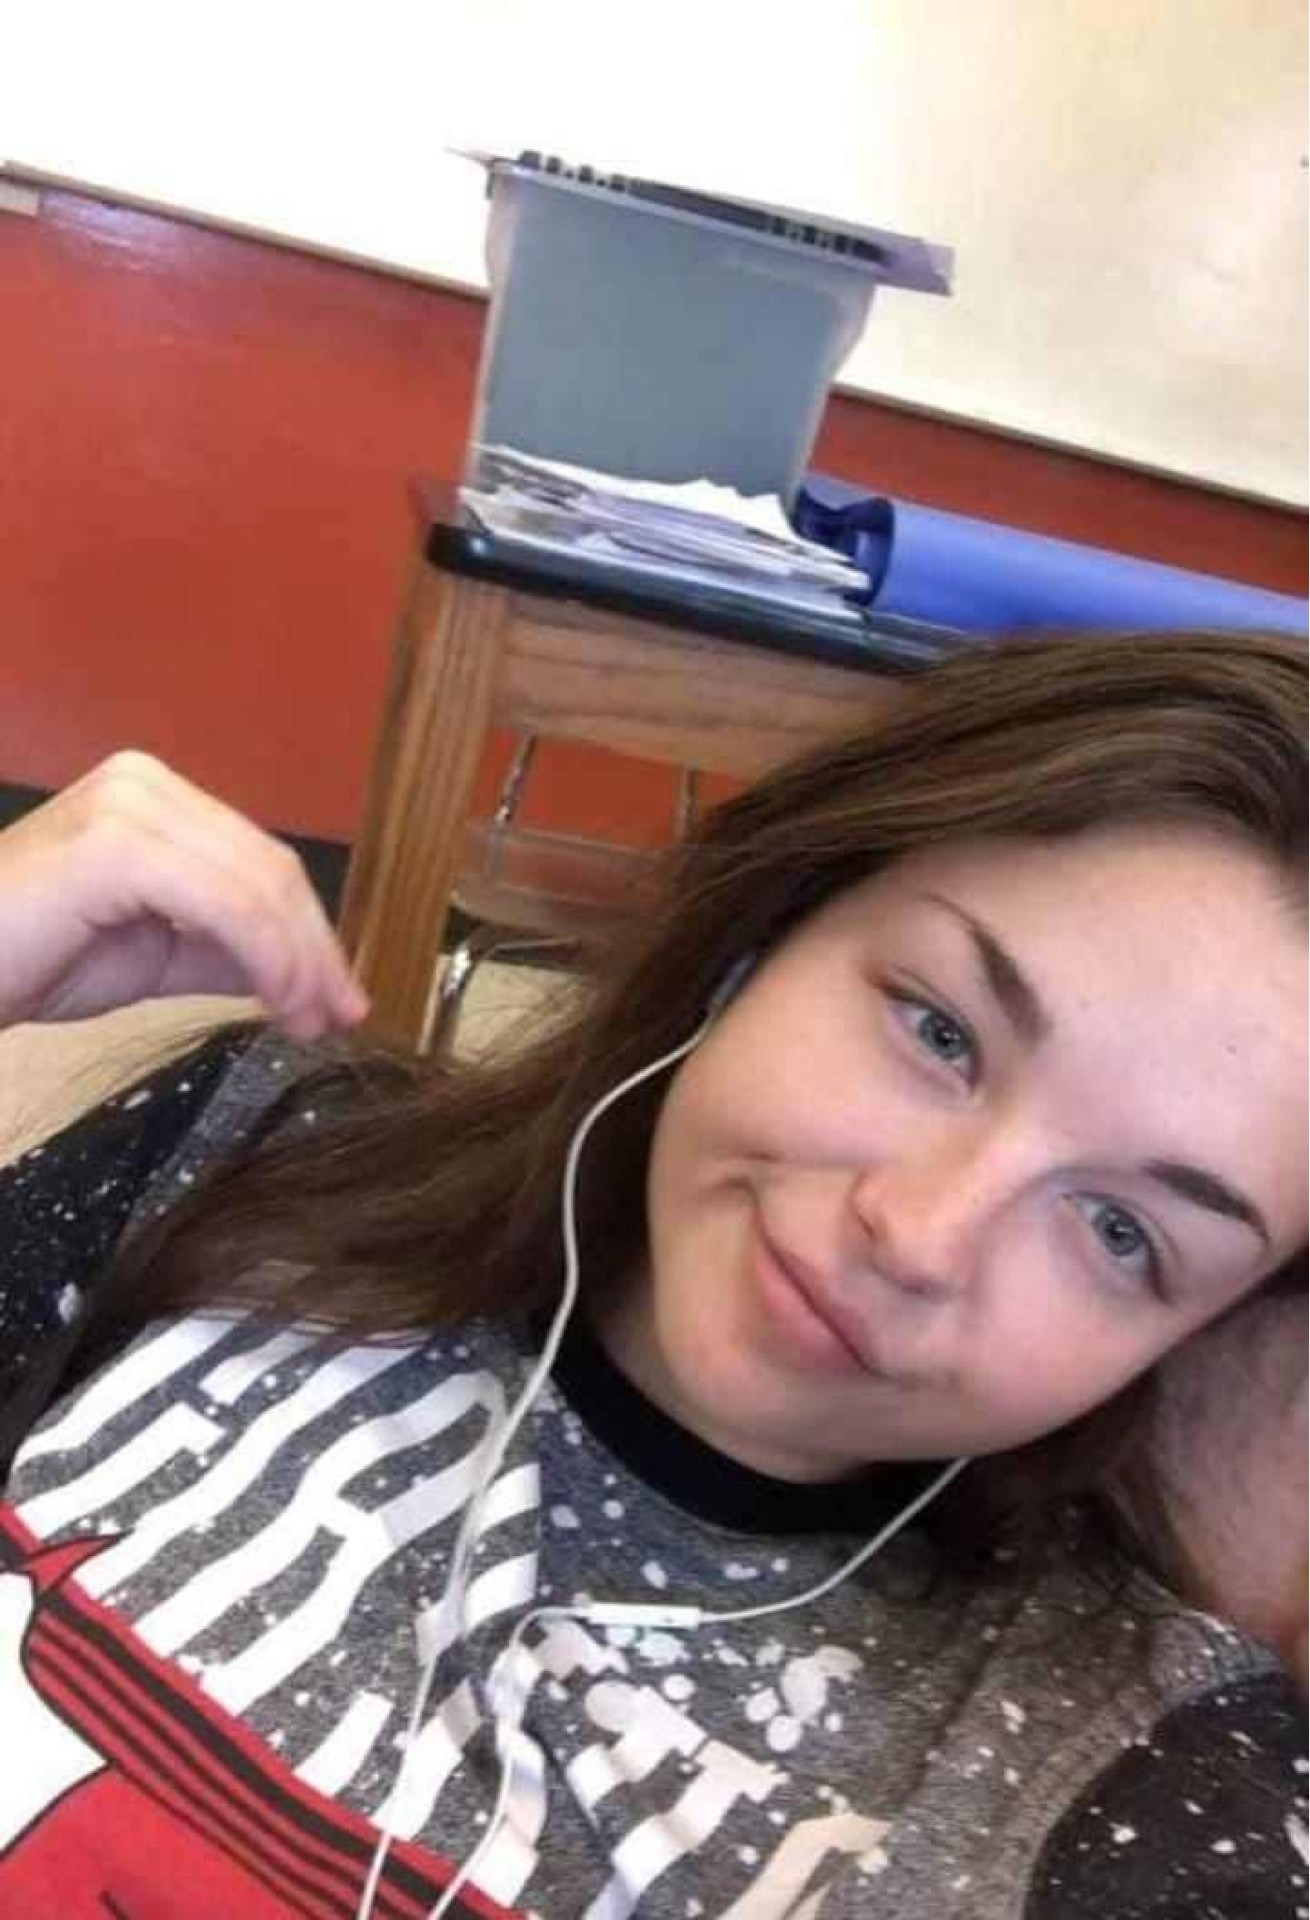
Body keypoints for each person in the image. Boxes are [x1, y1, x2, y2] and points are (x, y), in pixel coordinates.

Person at [0, 629, 1304, 1920]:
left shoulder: (1137, 1784)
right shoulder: (259, 1153)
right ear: (775, 919)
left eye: (1119, 1233)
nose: (919, 1236)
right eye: (939, 1031)